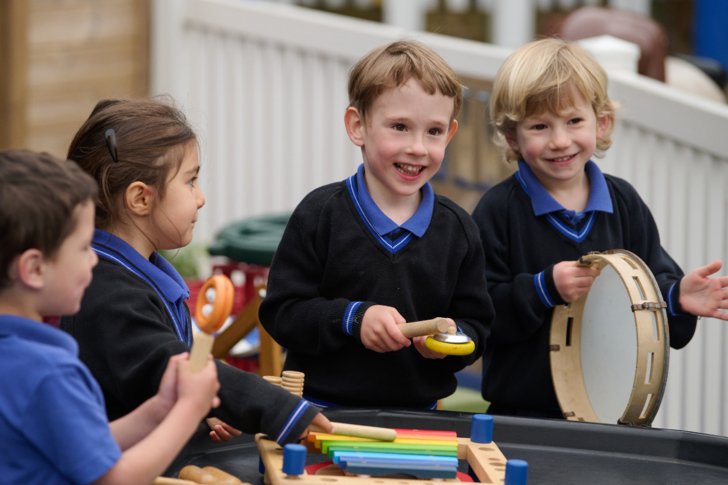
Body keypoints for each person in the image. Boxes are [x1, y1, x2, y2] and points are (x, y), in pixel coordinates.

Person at [471, 37, 728, 419]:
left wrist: (676, 299)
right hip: (520, 415)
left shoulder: (624, 204)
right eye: (540, 126)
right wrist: (543, 289)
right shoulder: (498, 211)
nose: (560, 141)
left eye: (574, 121)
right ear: (513, 136)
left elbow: (649, 294)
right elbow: (480, 314)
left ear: (601, 122)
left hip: (615, 416)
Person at [60, 98, 331, 444]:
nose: (200, 197)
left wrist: (207, 406)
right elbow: (171, 368)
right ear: (140, 199)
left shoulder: (131, 271)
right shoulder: (105, 292)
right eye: (190, 181)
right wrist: (279, 409)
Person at [259, 40, 495, 409]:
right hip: (320, 411)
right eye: (399, 127)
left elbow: (477, 326)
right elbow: (282, 313)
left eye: (433, 132)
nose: (417, 147)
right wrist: (353, 318)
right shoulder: (320, 214)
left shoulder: (459, 230)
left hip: (420, 419)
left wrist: (451, 341)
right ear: (358, 126)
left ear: (449, 135)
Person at [0, 149, 220, 484]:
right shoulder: (47, 371)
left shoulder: (18, 358)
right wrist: (190, 409)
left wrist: (158, 409)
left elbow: (84, 447)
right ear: (34, 268)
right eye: (82, 247)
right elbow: (112, 479)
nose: (93, 260)